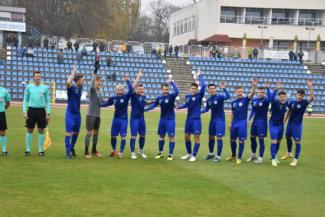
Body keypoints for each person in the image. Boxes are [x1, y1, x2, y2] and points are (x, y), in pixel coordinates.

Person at [144, 77, 179, 160]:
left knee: (171, 136)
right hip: (162, 119)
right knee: (161, 136)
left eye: (167, 89)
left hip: (170, 119)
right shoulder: (159, 98)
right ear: (161, 90)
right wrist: (145, 109)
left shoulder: (171, 96)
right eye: (164, 89)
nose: (166, 90)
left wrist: (172, 82)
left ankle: (170, 154)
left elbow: (177, 92)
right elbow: (153, 105)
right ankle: (160, 152)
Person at [281, 79, 314, 166]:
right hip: (290, 124)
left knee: (297, 141)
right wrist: (284, 121)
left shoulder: (304, 103)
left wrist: (310, 87)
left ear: (303, 96)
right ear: (296, 95)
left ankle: (295, 159)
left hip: (297, 125)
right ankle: (289, 153)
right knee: (287, 136)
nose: (300, 97)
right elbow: (288, 111)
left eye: (302, 96)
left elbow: (312, 97)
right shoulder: (291, 102)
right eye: (299, 95)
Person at [177, 69, 206, 162]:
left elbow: (204, 86)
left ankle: (194, 155)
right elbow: (186, 105)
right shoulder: (187, 96)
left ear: (196, 90)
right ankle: (189, 153)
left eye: (194, 88)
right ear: (190, 89)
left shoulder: (199, 96)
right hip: (188, 119)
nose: (193, 90)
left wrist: (200, 76)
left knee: (196, 137)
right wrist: (179, 107)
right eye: (192, 88)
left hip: (196, 119)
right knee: (186, 136)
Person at [101, 75, 132, 158]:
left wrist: (127, 81)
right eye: (118, 90)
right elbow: (107, 104)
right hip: (116, 119)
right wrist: (98, 105)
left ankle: (121, 152)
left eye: (121, 90)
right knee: (113, 135)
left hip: (124, 119)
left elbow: (131, 90)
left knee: (123, 136)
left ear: (123, 90)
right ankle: (114, 150)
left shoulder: (126, 97)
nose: (120, 91)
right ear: (116, 90)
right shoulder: (113, 98)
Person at [227, 79, 257, 164]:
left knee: (241, 140)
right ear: (235, 92)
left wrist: (254, 86)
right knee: (232, 140)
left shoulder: (245, 100)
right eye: (239, 91)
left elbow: (252, 94)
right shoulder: (233, 102)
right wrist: (230, 123)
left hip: (242, 123)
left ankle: (239, 157)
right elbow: (232, 113)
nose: (240, 92)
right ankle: (233, 156)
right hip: (234, 123)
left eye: (241, 91)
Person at [23, 71, 51, 156]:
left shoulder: (44, 88)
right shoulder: (29, 87)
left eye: (39, 76)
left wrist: (48, 112)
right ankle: (28, 150)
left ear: (41, 77)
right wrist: (24, 111)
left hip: (41, 111)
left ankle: (40, 150)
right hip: (31, 110)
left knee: (41, 130)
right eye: (36, 76)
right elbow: (25, 100)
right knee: (30, 129)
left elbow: (48, 101)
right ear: (33, 77)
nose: (38, 78)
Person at [201, 81, 230, 162]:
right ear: (208, 90)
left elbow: (228, 97)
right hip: (212, 121)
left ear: (216, 89)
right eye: (211, 89)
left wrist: (224, 89)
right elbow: (207, 109)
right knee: (210, 137)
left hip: (220, 120)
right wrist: (199, 111)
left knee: (219, 137)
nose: (212, 90)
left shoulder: (220, 97)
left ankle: (218, 156)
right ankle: (211, 154)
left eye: (213, 88)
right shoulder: (209, 99)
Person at [246, 82, 271, 164]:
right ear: (257, 92)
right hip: (255, 122)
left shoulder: (266, 100)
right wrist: (249, 119)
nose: (261, 94)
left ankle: (260, 158)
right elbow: (253, 110)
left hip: (262, 123)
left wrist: (268, 88)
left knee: (261, 140)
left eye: (263, 92)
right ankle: (253, 155)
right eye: (260, 92)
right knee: (252, 138)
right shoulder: (254, 100)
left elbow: (271, 99)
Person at [64, 66, 85, 159]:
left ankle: (72, 148)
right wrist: (73, 72)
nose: (83, 81)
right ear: (77, 81)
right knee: (69, 133)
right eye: (82, 80)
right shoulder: (71, 88)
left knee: (76, 132)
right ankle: (67, 153)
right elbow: (68, 82)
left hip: (77, 114)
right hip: (70, 114)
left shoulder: (80, 87)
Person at [268, 81, 290, 167]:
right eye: (281, 97)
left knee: (278, 142)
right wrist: (276, 89)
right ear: (278, 97)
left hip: (281, 125)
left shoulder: (286, 104)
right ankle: (273, 159)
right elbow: (271, 99)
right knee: (274, 141)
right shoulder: (275, 103)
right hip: (273, 124)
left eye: (284, 97)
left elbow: (290, 111)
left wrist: (285, 120)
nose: (283, 98)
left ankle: (275, 156)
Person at [84, 66, 104, 158]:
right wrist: (95, 72)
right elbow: (91, 83)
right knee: (89, 133)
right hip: (90, 115)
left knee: (96, 132)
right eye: (97, 81)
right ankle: (86, 152)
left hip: (97, 116)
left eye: (100, 81)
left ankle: (94, 150)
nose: (99, 82)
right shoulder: (92, 90)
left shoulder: (100, 92)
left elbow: (101, 103)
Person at [129, 70, 148, 159]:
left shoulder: (144, 97)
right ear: (137, 89)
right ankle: (132, 152)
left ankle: (140, 151)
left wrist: (157, 101)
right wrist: (138, 76)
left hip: (141, 118)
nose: (141, 90)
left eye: (142, 89)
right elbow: (132, 86)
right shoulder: (134, 95)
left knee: (143, 135)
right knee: (133, 135)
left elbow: (146, 103)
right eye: (139, 89)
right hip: (134, 118)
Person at [0, 84, 11, 156]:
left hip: (1, 113)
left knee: (2, 131)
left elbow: (8, 102)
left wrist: (3, 109)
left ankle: (4, 150)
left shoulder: (4, 91)